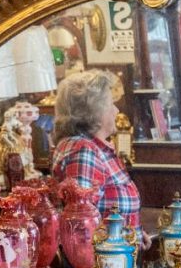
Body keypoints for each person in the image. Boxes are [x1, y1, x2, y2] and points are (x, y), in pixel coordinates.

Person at [51, 69, 151, 250]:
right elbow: (81, 225)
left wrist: (134, 232)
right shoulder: (84, 151)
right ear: (94, 110)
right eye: (111, 104)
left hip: (117, 259)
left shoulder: (91, 147)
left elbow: (106, 208)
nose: (116, 110)